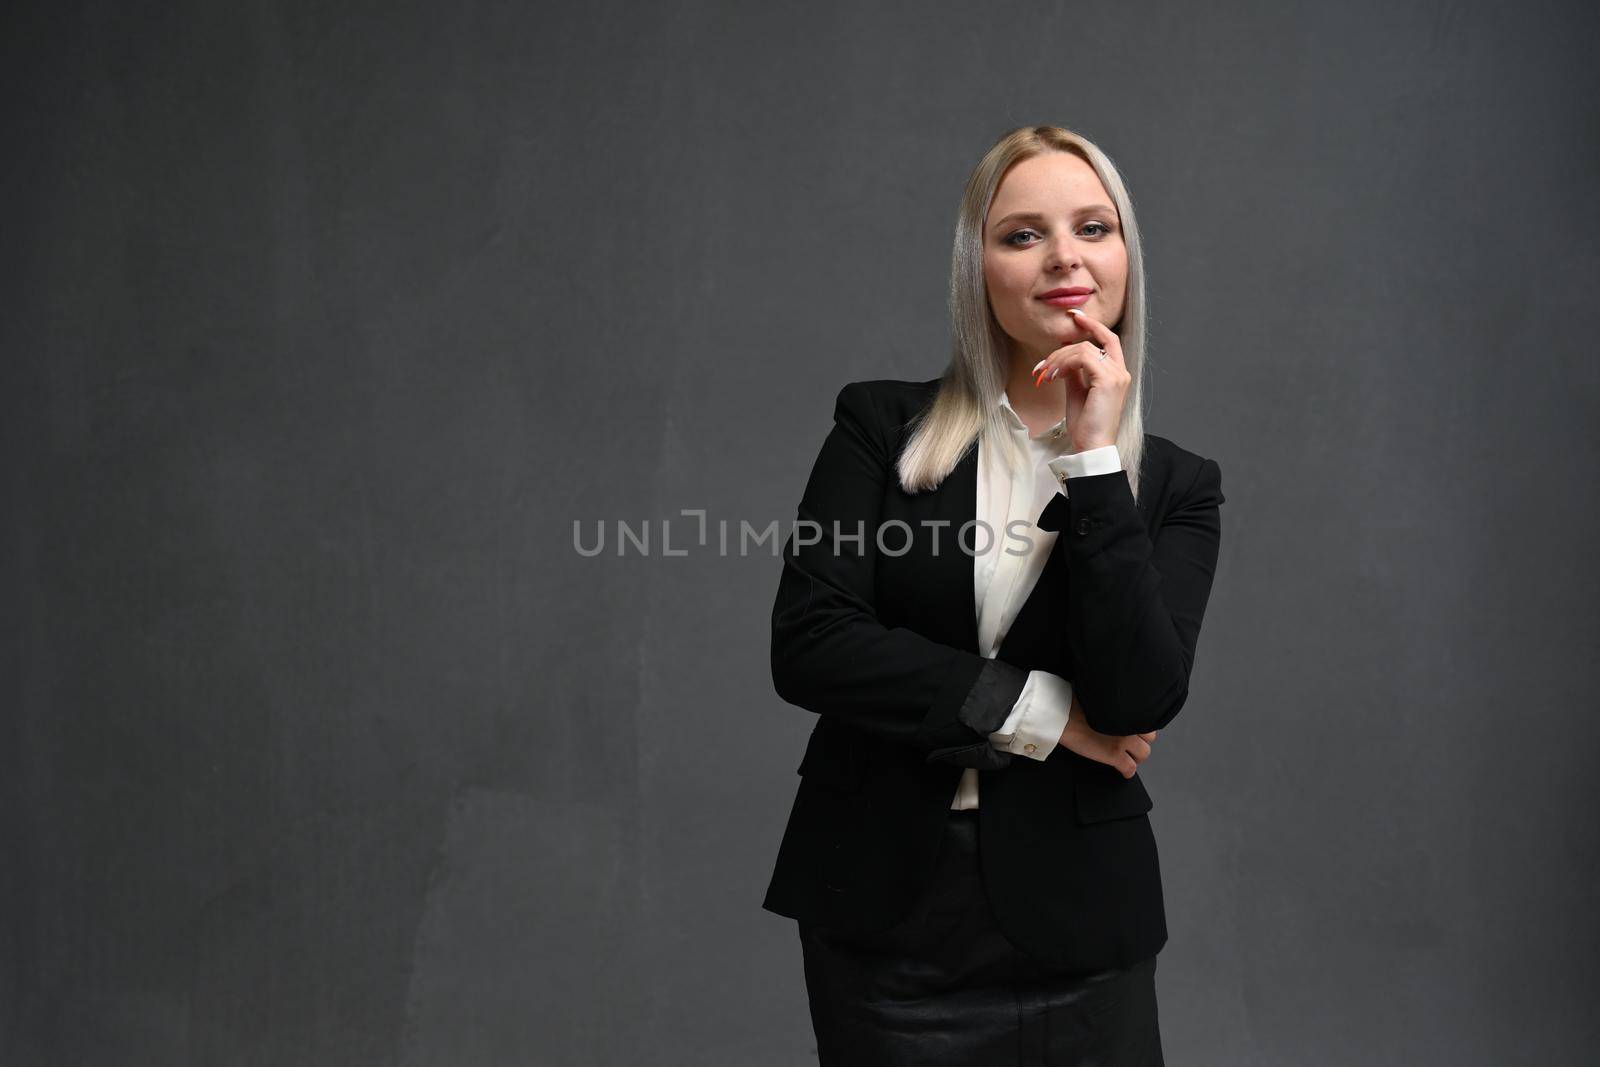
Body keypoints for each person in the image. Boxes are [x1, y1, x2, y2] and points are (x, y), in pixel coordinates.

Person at [760, 125, 1227, 1065]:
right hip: (885, 915)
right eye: (1022, 234)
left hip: (1081, 924)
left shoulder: (1176, 484)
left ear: (1126, 255)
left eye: (1094, 227)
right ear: (978, 268)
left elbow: (1139, 696)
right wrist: (1045, 713)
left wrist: (1095, 461)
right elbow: (811, 640)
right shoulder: (879, 426)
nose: (1065, 256)